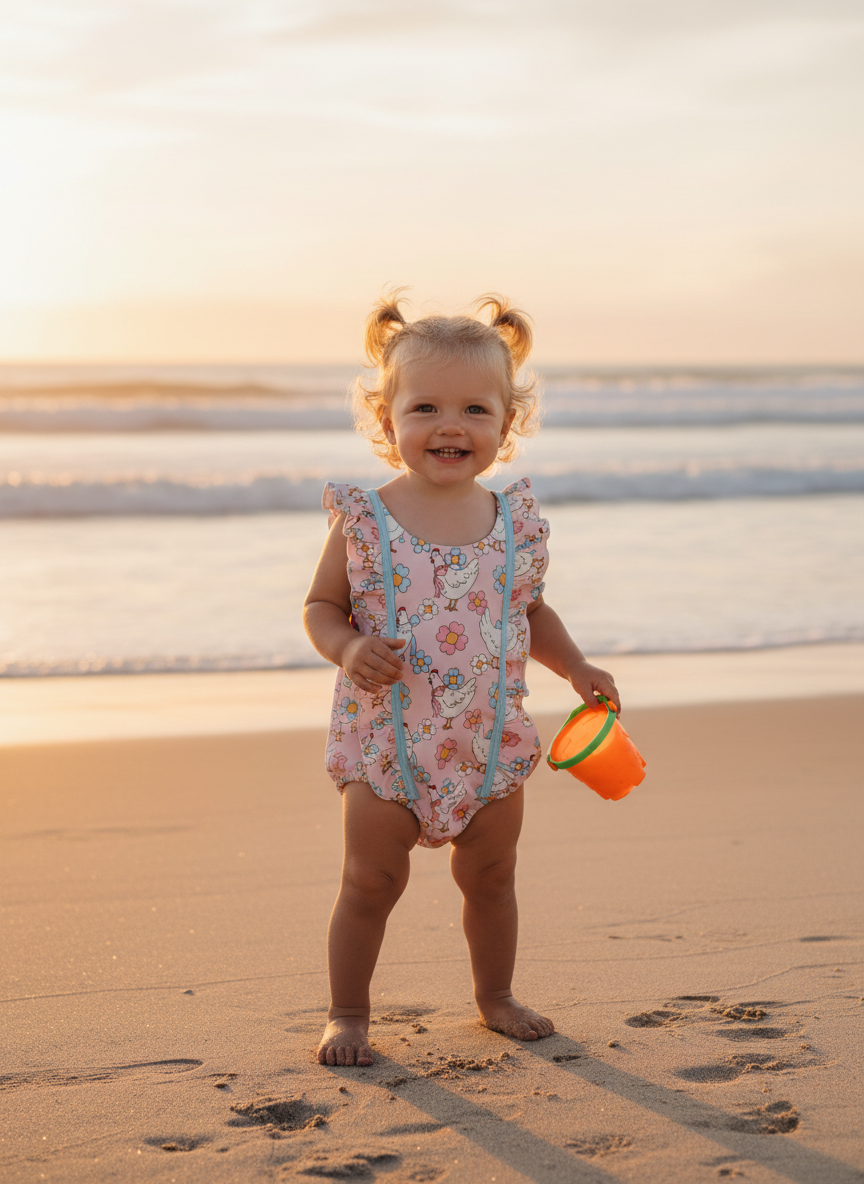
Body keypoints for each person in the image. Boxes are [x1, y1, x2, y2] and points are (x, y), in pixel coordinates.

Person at [304, 292, 620, 1067]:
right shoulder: (364, 521)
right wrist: (346, 649)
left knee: (494, 876)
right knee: (370, 880)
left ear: (506, 425)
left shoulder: (514, 524)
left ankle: (495, 996)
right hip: (389, 744)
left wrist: (575, 665)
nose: (451, 425)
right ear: (387, 420)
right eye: (426, 408)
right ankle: (348, 1012)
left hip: (484, 742)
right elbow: (320, 607)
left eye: (476, 408)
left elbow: (529, 611)